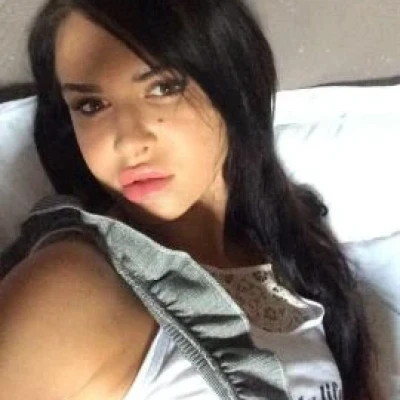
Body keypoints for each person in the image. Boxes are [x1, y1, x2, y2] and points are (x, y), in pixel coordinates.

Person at [0, 0, 380, 399]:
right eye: (90, 105)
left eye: (163, 88)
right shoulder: (73, 285)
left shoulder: (291, 254)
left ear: (233, 84)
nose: (128, 141)